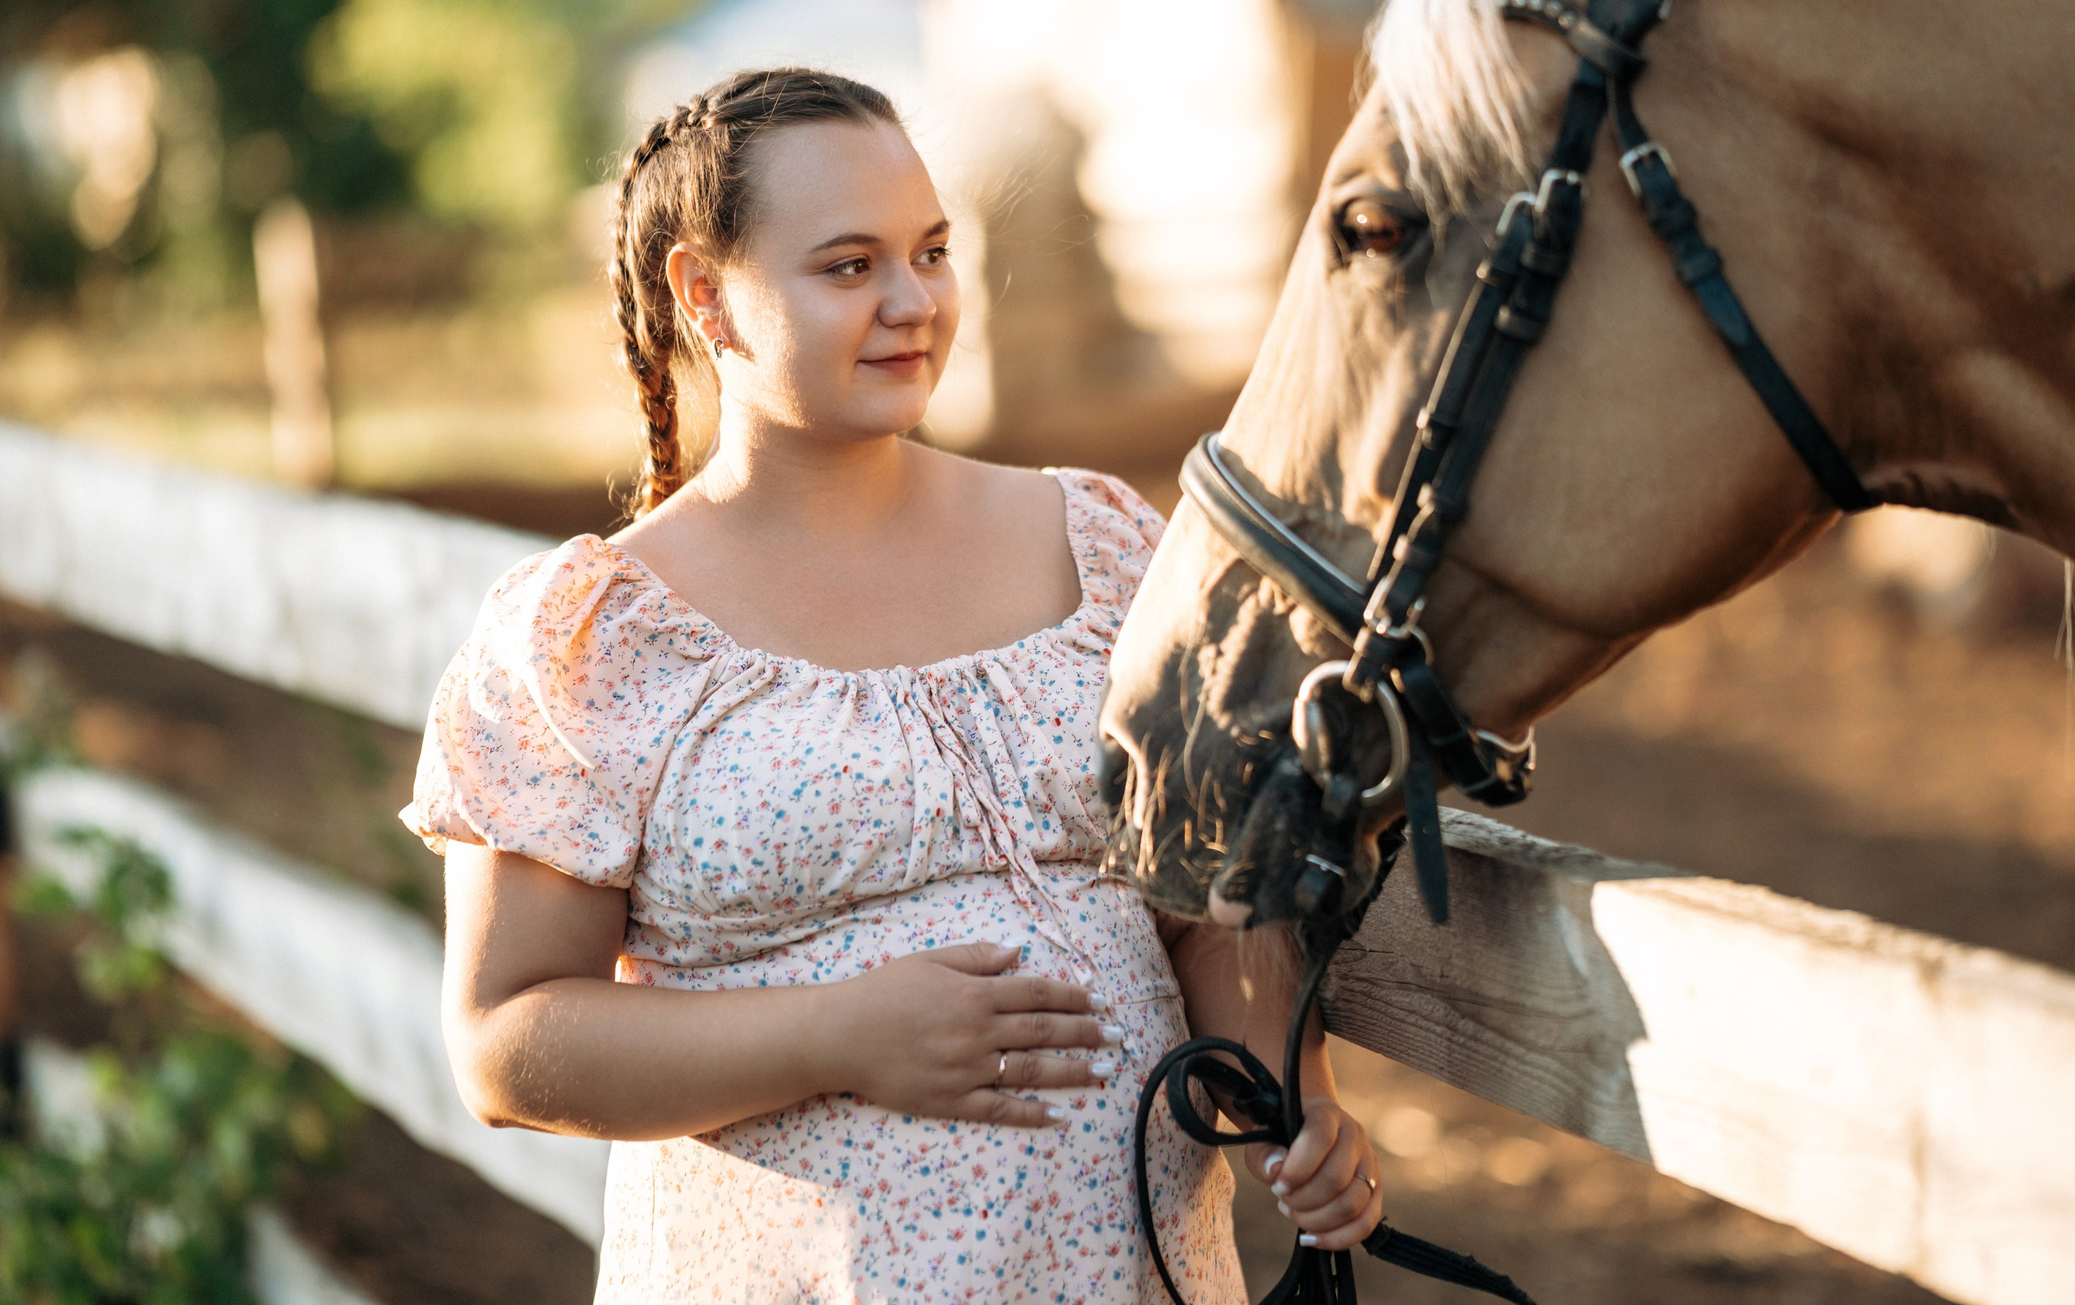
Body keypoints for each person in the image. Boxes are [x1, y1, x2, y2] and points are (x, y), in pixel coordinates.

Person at [400, 68, 1382, 1301]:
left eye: (930, 251)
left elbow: (1193, 904)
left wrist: (1294, 1096)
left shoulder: (1105, 546)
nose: (913, 302)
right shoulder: (591, 636)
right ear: (705, 295)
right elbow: (506, 1042)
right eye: (850, 267)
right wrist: (835, 1035)